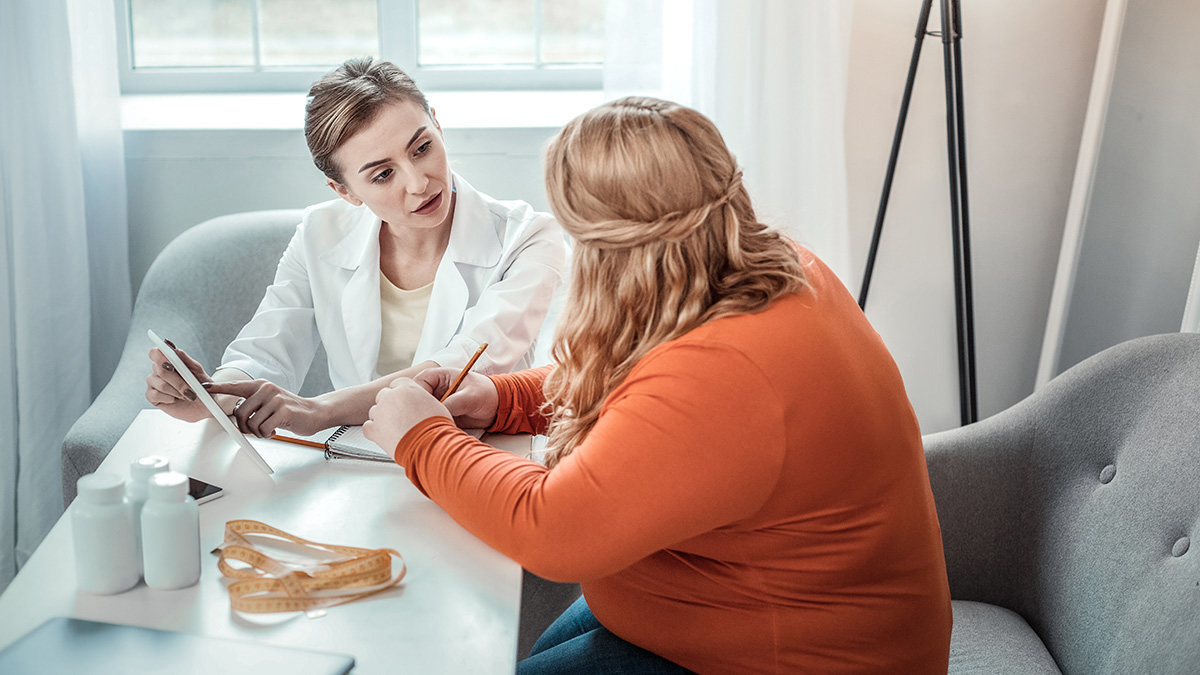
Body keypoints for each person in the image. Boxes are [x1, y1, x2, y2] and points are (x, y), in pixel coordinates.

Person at [363, 97, 953, 674]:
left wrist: (423, 438)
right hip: (718, 608)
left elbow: (552, 531)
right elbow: (642, 379)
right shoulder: (772, 266)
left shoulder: (727, 372)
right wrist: (504, 399)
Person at [144, 57, 567, 438]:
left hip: (477, 458)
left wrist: (318, 410)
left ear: (437, 124)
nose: (419, 183)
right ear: (345, 190)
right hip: (352, 459)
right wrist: (215, 395)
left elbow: (452, 373)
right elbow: (266, 349)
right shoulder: (319, 233)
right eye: (383, 175)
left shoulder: (529, 239)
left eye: (422, 148)